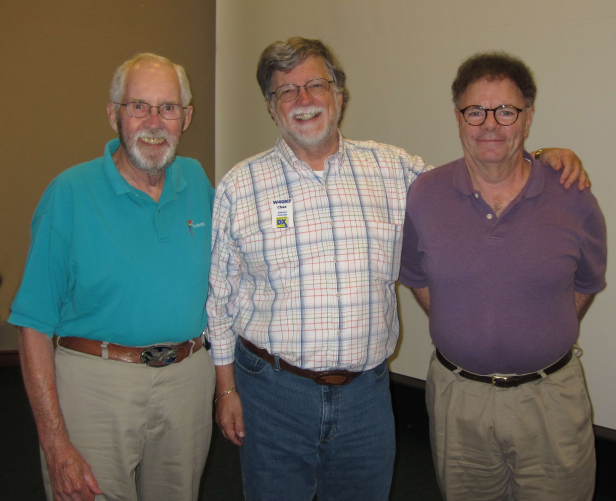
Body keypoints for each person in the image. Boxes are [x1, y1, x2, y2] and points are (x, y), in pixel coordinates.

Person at [206, 37, 587, 501]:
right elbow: (220, 296)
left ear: (339, 95)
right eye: (286, 91)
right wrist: (226, 390)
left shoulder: (393, 169)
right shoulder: (239, 187)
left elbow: (476, 179)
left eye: (316, 85)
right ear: (271, 108)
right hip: (272, 393)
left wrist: (538, 157)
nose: (303, 99)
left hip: (365, 398)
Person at [400, 52, 606, 500]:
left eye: (506, 111)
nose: (490, 124)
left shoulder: (572, 196)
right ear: (458, 118)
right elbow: (416, 277)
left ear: (527, 118)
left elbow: (586, 284)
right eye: (475, 111)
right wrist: (465, 325)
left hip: (550, 399)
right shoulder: (425, 194)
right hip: (458, 399)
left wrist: (535, 333)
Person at [9, 53, 215, 501]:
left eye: (168, 107)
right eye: (138, 106)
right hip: (95, 384)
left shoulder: (197, 182)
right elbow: (32, 323)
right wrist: (54, 442)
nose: (154, 122)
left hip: (187, 383)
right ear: (113, 115)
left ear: (186, 117)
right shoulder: (69, 193)